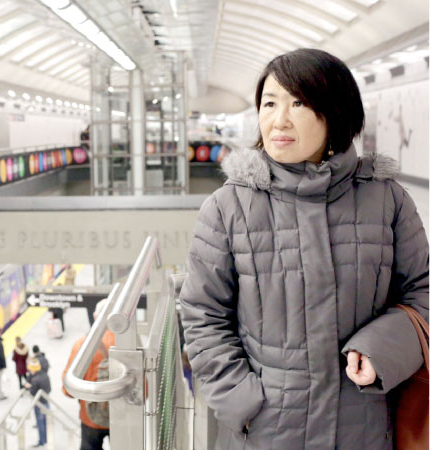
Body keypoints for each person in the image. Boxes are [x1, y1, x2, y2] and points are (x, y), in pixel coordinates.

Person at [180, 48, 428, 450]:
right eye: (269, 103)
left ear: (335, 110)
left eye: (298, 103)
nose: (279, 119)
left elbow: (424, 293)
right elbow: (202, 314)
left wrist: (383, 349)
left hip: (363, 430)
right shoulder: (229, 207)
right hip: (264, 433)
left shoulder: (387, 201)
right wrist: (240, 400)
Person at [62, 299, 114, 450]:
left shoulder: (82, 345)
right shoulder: (130, 344)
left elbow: (68, 390)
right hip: (121, 417)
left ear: (95, 316)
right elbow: (144, 388)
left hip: (90, 417)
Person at [24, 356, 51, 448]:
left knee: (40, 424)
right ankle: (47, 439)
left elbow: (32, 393)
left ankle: (41, 442)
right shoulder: (45, 374)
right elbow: (49, 388)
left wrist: (29, 386)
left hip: (39, 404)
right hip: (46, 401)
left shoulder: (35, 380)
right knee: (45, 422)